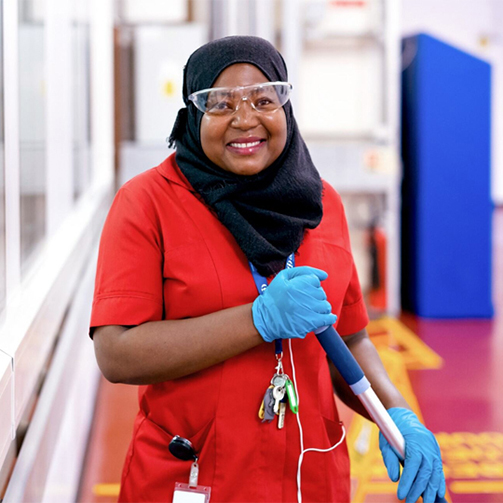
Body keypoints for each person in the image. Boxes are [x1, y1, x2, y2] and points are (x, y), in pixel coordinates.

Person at [90, 36, 445, 503]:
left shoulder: (321, 203)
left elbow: (351, 335)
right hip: (196, 476)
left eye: (263, 99)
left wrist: (396, 413)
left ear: (286, 107)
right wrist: (257, 320)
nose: (245, 119)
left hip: (309, 477)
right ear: (193, 116)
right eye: (220, 104)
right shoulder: (148, 202)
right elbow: (116, 352)